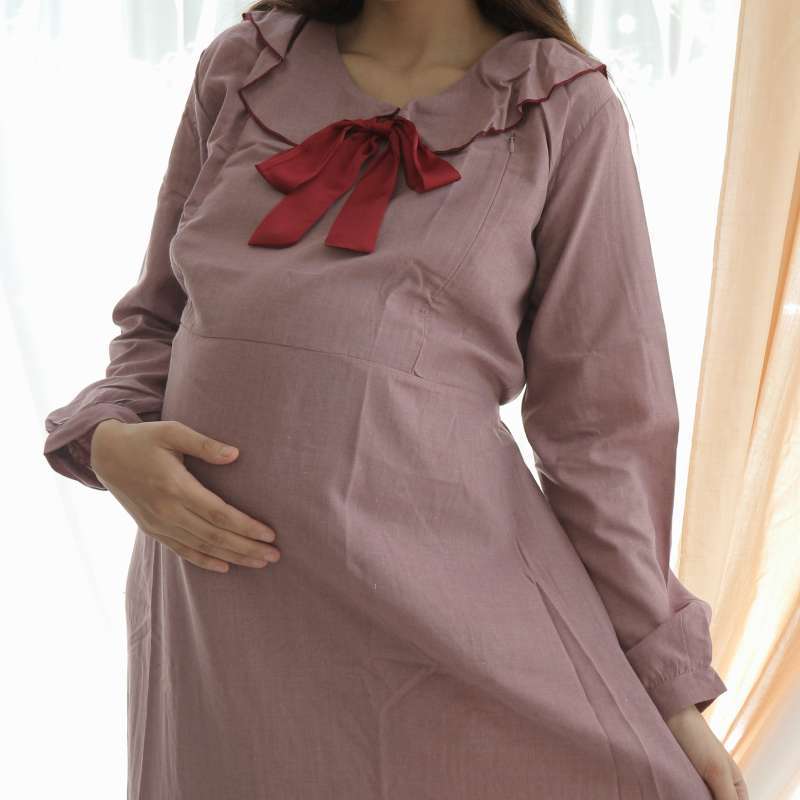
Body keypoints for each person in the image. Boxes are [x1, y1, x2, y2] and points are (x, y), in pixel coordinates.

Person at [42, 1, 748, 797]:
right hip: (221, 627)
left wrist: (668, 687)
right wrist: (107, 439)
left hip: (445, 619)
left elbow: (605, 432)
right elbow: (155, 324)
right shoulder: (244, 66)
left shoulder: (561, 108)